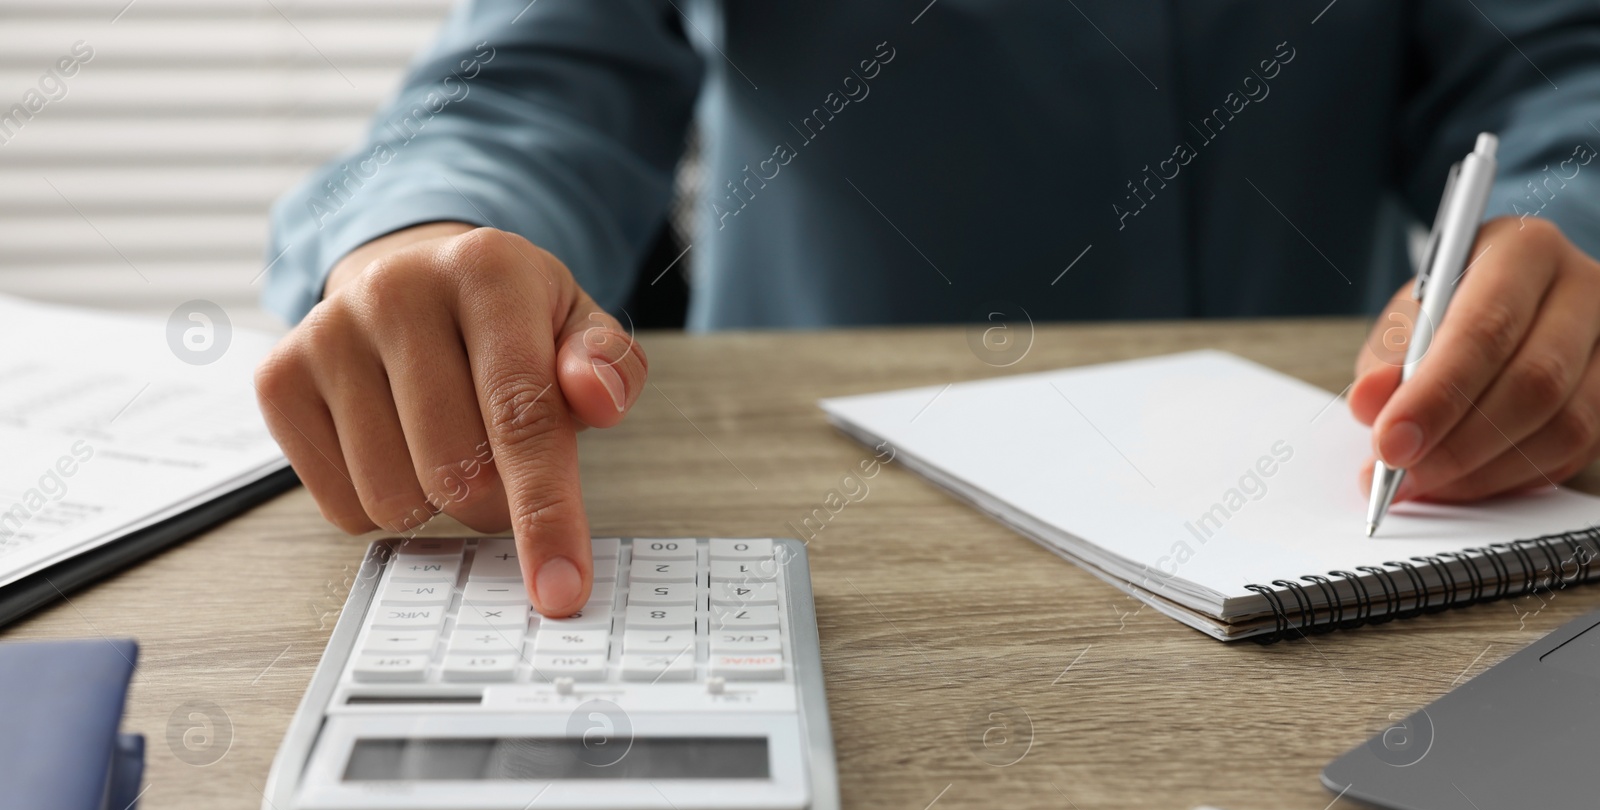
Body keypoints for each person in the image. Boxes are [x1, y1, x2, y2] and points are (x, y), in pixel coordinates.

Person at [255, 1, 1600, 615]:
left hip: (1329, 540)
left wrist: (1574, 232)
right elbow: (521, 80)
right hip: (834, 556)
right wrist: (424, 239)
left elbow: (1559, 77)